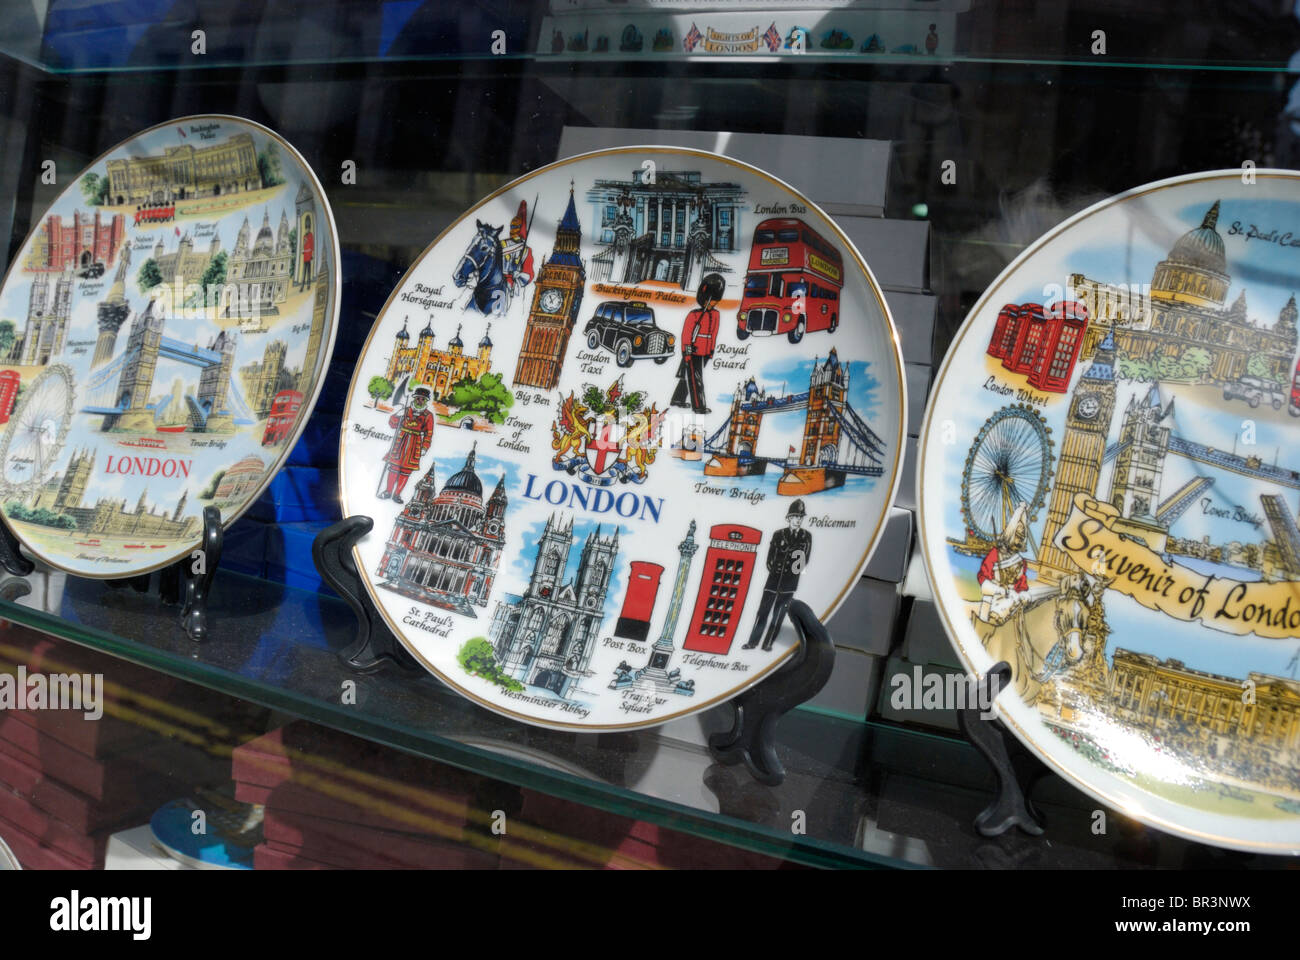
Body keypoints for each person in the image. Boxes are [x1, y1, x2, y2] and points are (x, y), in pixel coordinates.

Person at [743, 499, 813, 652]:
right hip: (773, 580)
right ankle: (752, 642)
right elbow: (770, 558)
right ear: (789, 518)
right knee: (763, 612)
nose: (798, 520)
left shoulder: (806, 536)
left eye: (800, 517)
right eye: (795, 517)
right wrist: (775, 570)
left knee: (778, 615)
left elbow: (804, 559)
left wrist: (792, 572)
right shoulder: (778, 534)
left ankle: (767, 643)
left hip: (790, 583)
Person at [671, 272, 725, 414]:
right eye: (712, 300)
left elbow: (713, 334)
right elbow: (686, 335)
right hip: (694, 350)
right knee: (696, 380)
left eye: (715, 301)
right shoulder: (694, 314)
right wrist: (686, 351)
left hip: (705, 350)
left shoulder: (716, 315)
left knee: (688, 377)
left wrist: (711, 350)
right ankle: (699, 406)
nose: (713, 303)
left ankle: (677, 399)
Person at [378, 385, 434, 504]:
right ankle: (388, 491)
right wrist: (396, 415)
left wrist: (425, 447)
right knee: (393, 467)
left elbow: (429, 433)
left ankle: (397, 494)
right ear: (414, 398)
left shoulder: (428, 415)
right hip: (401, 441)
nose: (420, 401)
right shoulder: (405, 410)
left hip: (415, 444)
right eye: (418, 398)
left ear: (426, 401)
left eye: (423, 399)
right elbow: (393, 424)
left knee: (406, 471)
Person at [977, 502, 1031, 624]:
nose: (1019, 541)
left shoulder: (1021, 563)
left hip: (1010, 601)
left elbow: (1021, 585)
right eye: (1017, 536)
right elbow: (983, 577)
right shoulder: (995, 554)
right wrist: (999, 590)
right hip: (992, 598)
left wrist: (1023, 594)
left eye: (1021, 538)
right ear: (1011, 533)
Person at [501, 200, 534, 304]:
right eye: (512, 227)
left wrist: (518, 276)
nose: (513, 229)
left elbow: (529, 273)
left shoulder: (526, 250)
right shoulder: (501, 244)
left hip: (511, 284)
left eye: (516, 227)